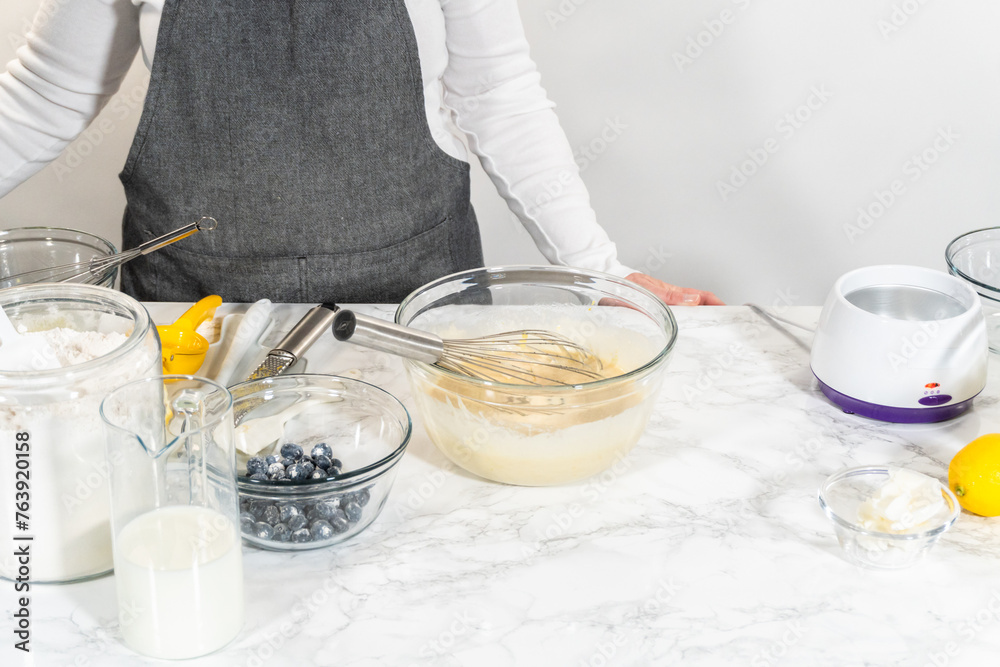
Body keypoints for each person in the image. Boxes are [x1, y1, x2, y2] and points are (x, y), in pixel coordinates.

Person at [0, 0, 723, 306]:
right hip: (194, 324)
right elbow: (44, 96)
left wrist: (599, 271)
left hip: (415, 311)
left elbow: (496, 91)